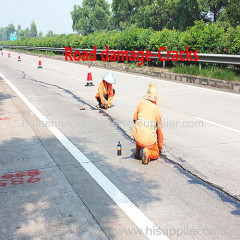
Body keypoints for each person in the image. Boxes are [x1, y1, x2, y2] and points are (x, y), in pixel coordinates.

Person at [132, 82, 163, 165]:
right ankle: (148, 154)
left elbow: (134, 119)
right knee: (155, 153)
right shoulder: (157, 110)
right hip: (148, 139)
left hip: (137, 136)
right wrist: (160, 147)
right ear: (156, 98)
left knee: (139, 129)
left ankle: (138, 151)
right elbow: (159, 131)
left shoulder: (140, 103)